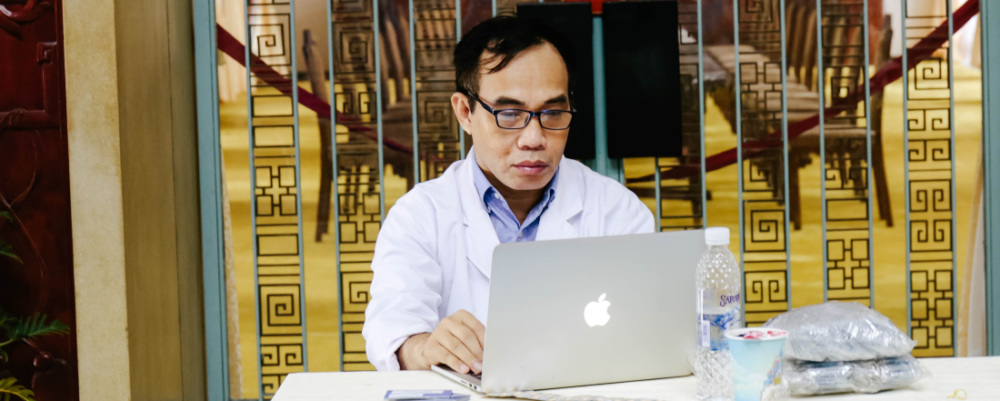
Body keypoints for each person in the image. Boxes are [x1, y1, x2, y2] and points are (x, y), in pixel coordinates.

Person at [362, 16, 654, 373]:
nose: (534, 138)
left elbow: (648, 333)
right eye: (509, 113)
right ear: (465, 112)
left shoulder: (616, 210)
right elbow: (392, 332)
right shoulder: (420, 215)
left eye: (552, 112)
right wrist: (425, 348)